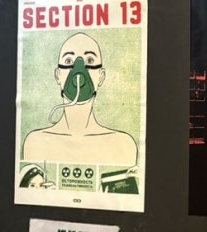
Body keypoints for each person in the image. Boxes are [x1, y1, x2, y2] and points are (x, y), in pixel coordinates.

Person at [22, 33, 137, 166]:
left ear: (101, 76)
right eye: (68, 61)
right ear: (58, 75)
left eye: (90, 60)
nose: (79, 70)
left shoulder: (123, 145)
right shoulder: (36, 142)